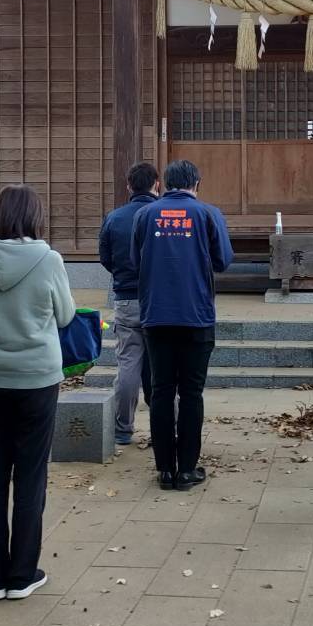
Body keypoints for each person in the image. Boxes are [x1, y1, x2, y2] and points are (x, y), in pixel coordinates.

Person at [0, 184, 75, 602]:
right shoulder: (48, 259)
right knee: (30, 476)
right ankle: (22, 574)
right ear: (34, 217)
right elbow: (64, 315)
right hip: (36, 377)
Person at [130, 159, 233, 492]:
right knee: (191, 394)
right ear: (197, 183)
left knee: (160, 392)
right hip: (196, 316)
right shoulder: (207, 214)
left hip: (156, 316)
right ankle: (187, 469)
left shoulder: (145, 215)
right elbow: (223, 261)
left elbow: (135, 261)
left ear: (164, 185)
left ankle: (164, 470)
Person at [98, 161, 160, 445]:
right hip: (159, 301)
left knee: (127, 365)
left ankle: (123, 428)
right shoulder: (163, 216)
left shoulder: (114, 218)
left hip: (125, 298)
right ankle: (166, 427)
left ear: (128, 186)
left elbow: (106, 258)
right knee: (163, 368)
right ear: (156, 184)